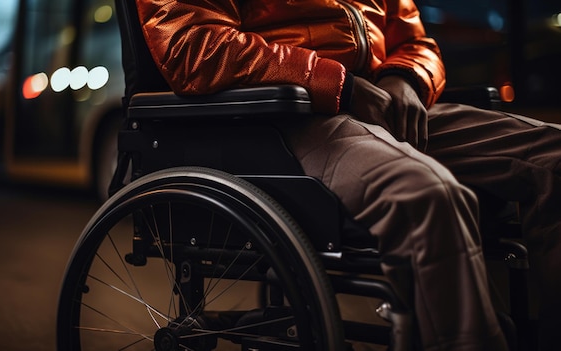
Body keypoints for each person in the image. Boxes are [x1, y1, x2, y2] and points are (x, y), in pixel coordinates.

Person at [135, 1, 561, 350]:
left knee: (552, 158)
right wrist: (338, 86)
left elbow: (414, 40)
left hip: (383, 101)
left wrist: (405, 77)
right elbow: (194, 47)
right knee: (424, 196)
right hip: (286, 117)